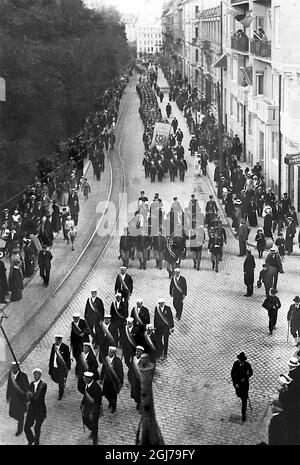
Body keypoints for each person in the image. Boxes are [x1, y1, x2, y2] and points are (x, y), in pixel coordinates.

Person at [6, 361, 29, 436]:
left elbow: (27, 388)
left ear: (18, 367)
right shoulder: (11, 375)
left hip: (21, 400)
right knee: (11, 414)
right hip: (13, 399)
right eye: (13, 367)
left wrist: (26, 397)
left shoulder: (23, 376)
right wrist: (8, 396)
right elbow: (9, 385)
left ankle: (20, 429)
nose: (13, 368)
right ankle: (19, 420)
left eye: (15, 367)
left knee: (21, 416)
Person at [24, 368, 47, 445]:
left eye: (37, 374)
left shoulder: (43, 385)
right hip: (32, 409)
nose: (35, 376)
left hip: (40, 410)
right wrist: (27, 396)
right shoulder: (31, 384)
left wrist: (31, 395)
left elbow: (38, 397)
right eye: (34, 374)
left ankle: (37, 443)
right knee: (26, 427)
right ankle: (31, 439)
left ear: (40, 375)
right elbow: (27, 400)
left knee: (37, 428)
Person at [80, 371, 103, 445]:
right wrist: (82, 402)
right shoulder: (87, 385)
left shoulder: (96, 387)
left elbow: (98, 401)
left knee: (94, 424)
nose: (83, 379)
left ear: (89, 379)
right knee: (85, 419)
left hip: (94, 408)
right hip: (87, 407)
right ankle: (92, 430)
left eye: (85, 378)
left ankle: (95, 440)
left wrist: (94, 411)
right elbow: (85, 395)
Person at [99, 346, 124, 413]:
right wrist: (101, 378)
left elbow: (120, 372)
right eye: (110, 351)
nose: (110, 353)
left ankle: (113, 407)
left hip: (114, 382)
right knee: (106, 392)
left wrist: (121, 381)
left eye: (112, 352)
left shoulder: (118, 361)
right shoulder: (106, 359)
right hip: (107, 380)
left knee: (113, 394)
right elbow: (103, 370)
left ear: (114, 353)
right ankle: (110, 402)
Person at [231, 352, 253, 422]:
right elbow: (232, 373)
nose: (241, 361)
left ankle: (243, 414)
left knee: (244, 400)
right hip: (237, 384)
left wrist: (246, 377)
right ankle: (241, 396)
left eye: (242, 360)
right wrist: (235, 383)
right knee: (238, 394)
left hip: (244, 385)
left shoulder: (247, 365)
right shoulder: (236, 364)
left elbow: (251, 373)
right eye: (240, 360)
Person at [48, 335, 71, 400]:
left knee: (60, 381)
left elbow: (67, 359)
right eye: (56, 340)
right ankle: (61, 384)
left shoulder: (65, 347)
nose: (56, 341)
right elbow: (51, 356)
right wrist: (50, 366)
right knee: (55, 378)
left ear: (60, 340)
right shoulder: (53, 346)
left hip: (61, 368)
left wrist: (68, 367)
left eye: (58, 340)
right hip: (54, 366)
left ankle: (60, 393)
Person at [130, 345, 144, 411]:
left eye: (139, 352)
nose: (137, 353)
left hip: (141, 380)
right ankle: (138, 401)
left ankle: (140, 404)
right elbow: (131, 368)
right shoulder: (134, 359)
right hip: (134, 378)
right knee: (135, 392)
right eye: (136, 351)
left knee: (140, 392)